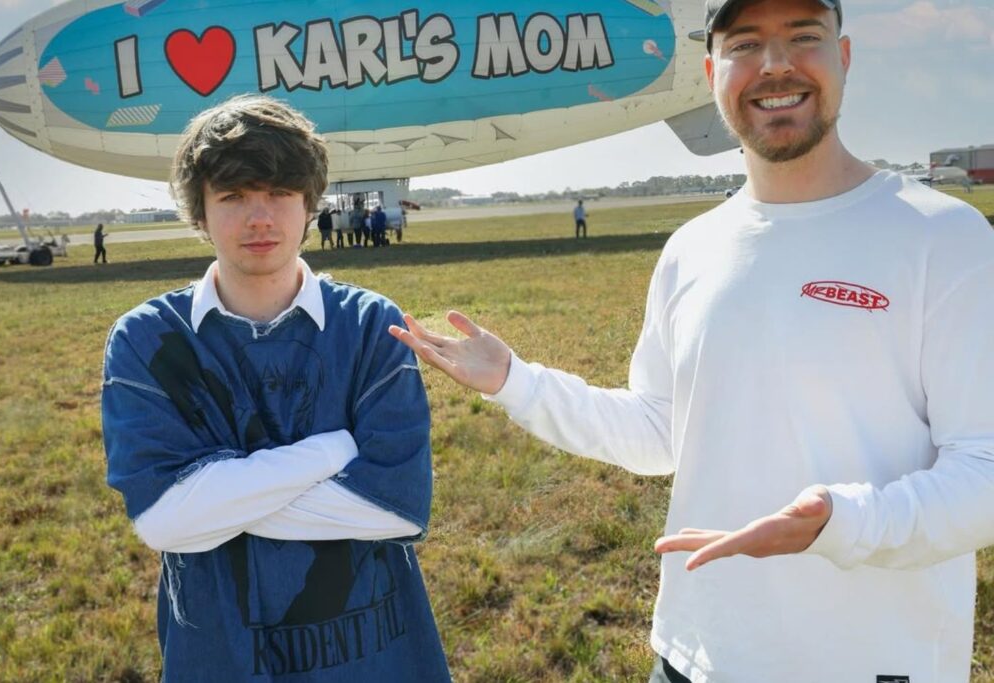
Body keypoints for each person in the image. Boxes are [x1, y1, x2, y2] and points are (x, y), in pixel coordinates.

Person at [390, 0, 994, 681]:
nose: (774, 65)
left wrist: (844, 522)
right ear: (712, 72)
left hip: (867, 662)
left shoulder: (943, 236)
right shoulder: (692, 247)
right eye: (745, 44)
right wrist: (516, 382)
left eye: (803, 37)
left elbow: (984, 470)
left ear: (844, 58)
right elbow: (658, 431)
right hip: (693, 654)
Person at [101, 95, 450, 681]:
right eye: (233, 196)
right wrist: (332, 451)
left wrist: (219, 495)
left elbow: (397, 507)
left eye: (280, 194)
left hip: (372, 655)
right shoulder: (146, 340)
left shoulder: (370, 325)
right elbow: (164, 520)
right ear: (201, 211)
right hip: (221, 653)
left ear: (310, 205)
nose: (259, 217)